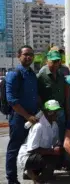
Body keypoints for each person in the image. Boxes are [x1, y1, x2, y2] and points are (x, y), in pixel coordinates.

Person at [6, 45, 39, 184]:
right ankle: (12, 179)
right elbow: (12, 100)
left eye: (31, 54)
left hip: (32, 117)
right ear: (19, 56)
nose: (29, 57)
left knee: (31, 148)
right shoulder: (14, 74)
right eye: (25, 54)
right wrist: (27, 116)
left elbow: (35, 96)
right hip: (19, 118)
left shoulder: (32, 74)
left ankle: (29, 172)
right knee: (14, 148)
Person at [18, 100, 63, 183]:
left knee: (59, 156)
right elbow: (32, 150)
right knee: (51, 159)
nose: (55, 114)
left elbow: (56, 142)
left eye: (56, 112)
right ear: (46, 112)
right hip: (28, 156)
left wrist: (58, 147)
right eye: (52, 112)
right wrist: (52, 151)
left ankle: (32, 173)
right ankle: (39, 179)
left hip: (40, 154)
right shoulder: (38, 126)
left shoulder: (55, 125)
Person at [37, 50, 67, 143]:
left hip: (60, 110)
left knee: (61, 135)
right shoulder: (41, 76)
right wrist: (43, 110)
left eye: (58, 61)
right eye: (53, 61)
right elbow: (38, 95)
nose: (56, 64)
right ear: (47, 61)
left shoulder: (61, 75)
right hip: (48, 112)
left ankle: (60, 154)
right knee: (48, 136)